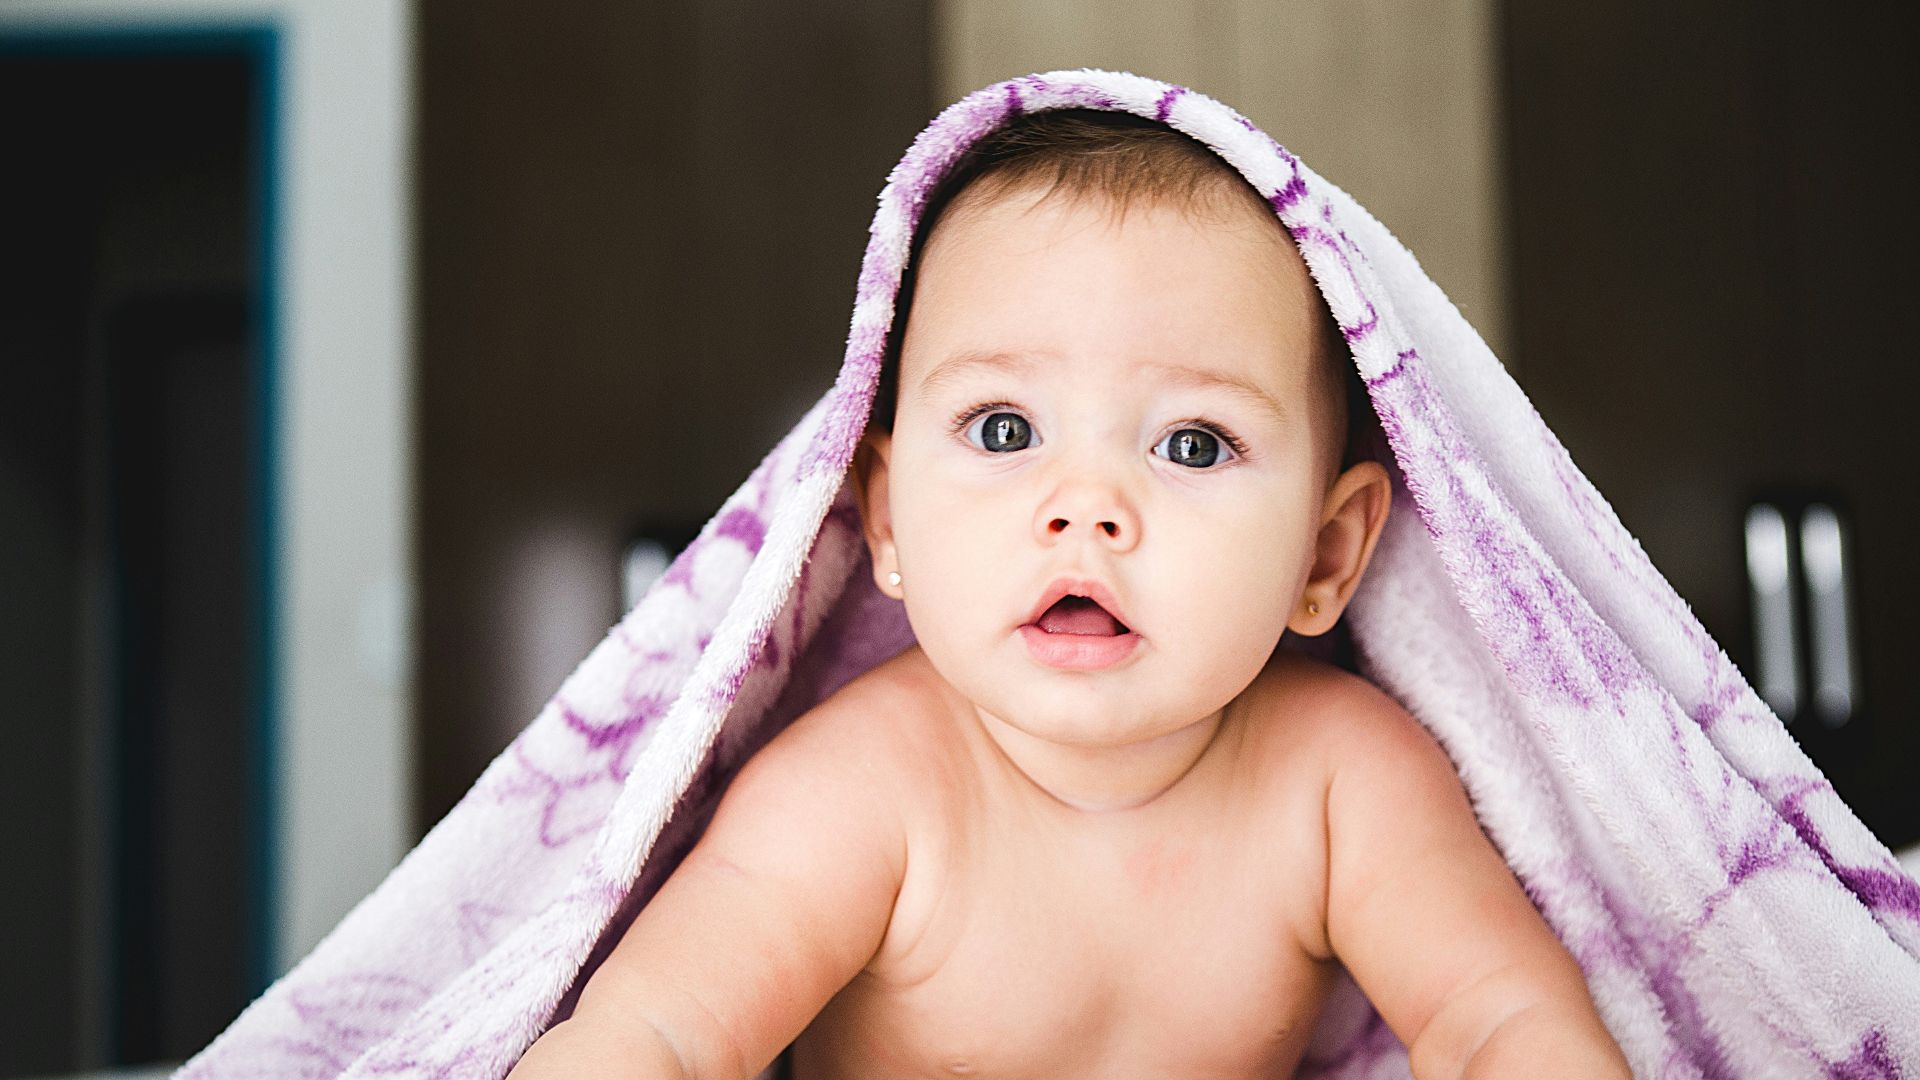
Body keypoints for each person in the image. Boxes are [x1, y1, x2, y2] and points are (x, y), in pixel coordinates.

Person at [507, 108, 1631, 1078]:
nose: (1087, 508)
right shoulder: (864, 791)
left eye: (1193, 445)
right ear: (888, 518)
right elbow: (657, 1031)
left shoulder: (1343, 783)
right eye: (1006, 430)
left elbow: (1500, 1022)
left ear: (1326, 556)